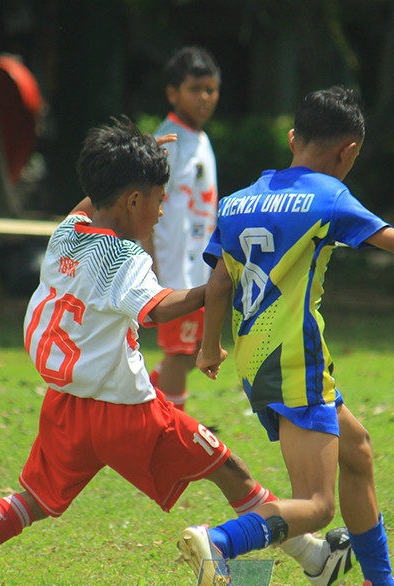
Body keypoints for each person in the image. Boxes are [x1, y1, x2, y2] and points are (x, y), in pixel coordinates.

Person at [0, 117, 352, 586]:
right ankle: (299, 558)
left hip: (68, 405)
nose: (162, 210)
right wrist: (218, 287)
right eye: (160, 197)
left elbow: (91, 201)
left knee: (32, 499)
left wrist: (126, 163)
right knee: (228, 469)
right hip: (128, 412)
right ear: (134, 200)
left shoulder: (68, 233)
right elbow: (158, 308)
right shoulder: (123, 257)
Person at [183, 86, 394, 586]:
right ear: (348, 151)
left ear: (293, 138)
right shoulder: (327, 196)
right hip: (295, 360)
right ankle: (218, 544)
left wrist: (207, 350)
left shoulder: (237, 200)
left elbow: (219, 283)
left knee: (356, 451)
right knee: (315, 506)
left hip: (256, 358)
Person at [143, 46, 221, 411]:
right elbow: (146, 206)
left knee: (190, 353)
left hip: (199, 269)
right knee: (178, 353)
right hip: (175, 271)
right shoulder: (168, 142)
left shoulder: (201, 140)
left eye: (211, 89)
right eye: (195, 89)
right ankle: (170, 430)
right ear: (173, 93)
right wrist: (151, 261)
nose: (205, 97)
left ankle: (146, 404)